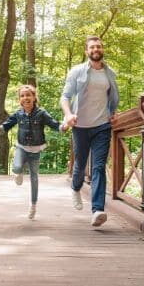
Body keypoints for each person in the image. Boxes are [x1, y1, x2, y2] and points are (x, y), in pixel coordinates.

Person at [60, 35, 119, 227]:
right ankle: (76, 187)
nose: (96, 49)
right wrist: (69, 115)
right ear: (87, 51)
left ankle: (98, 210)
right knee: (80, 163)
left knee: (98, 166)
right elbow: (65, 97)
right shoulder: (77, 71)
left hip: (102, 125)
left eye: (99, 46)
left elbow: (112, 96)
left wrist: (112, 113)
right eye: (92, 47)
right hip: (80, 126)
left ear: (102, 49)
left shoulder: (110, 73)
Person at [0, 85, 67, 219]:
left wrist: (63, 127)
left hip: (36, 149)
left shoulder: (41, 113)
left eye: (28, 95)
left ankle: (33, 205)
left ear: (34, 97)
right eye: (22, 96)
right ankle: (19, 171)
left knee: (34, 177)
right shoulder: (18, 113)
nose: (25, 98)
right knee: (16, 167)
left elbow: (54, 124)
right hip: (21, 146)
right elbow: (6, 125)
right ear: (19, 99)